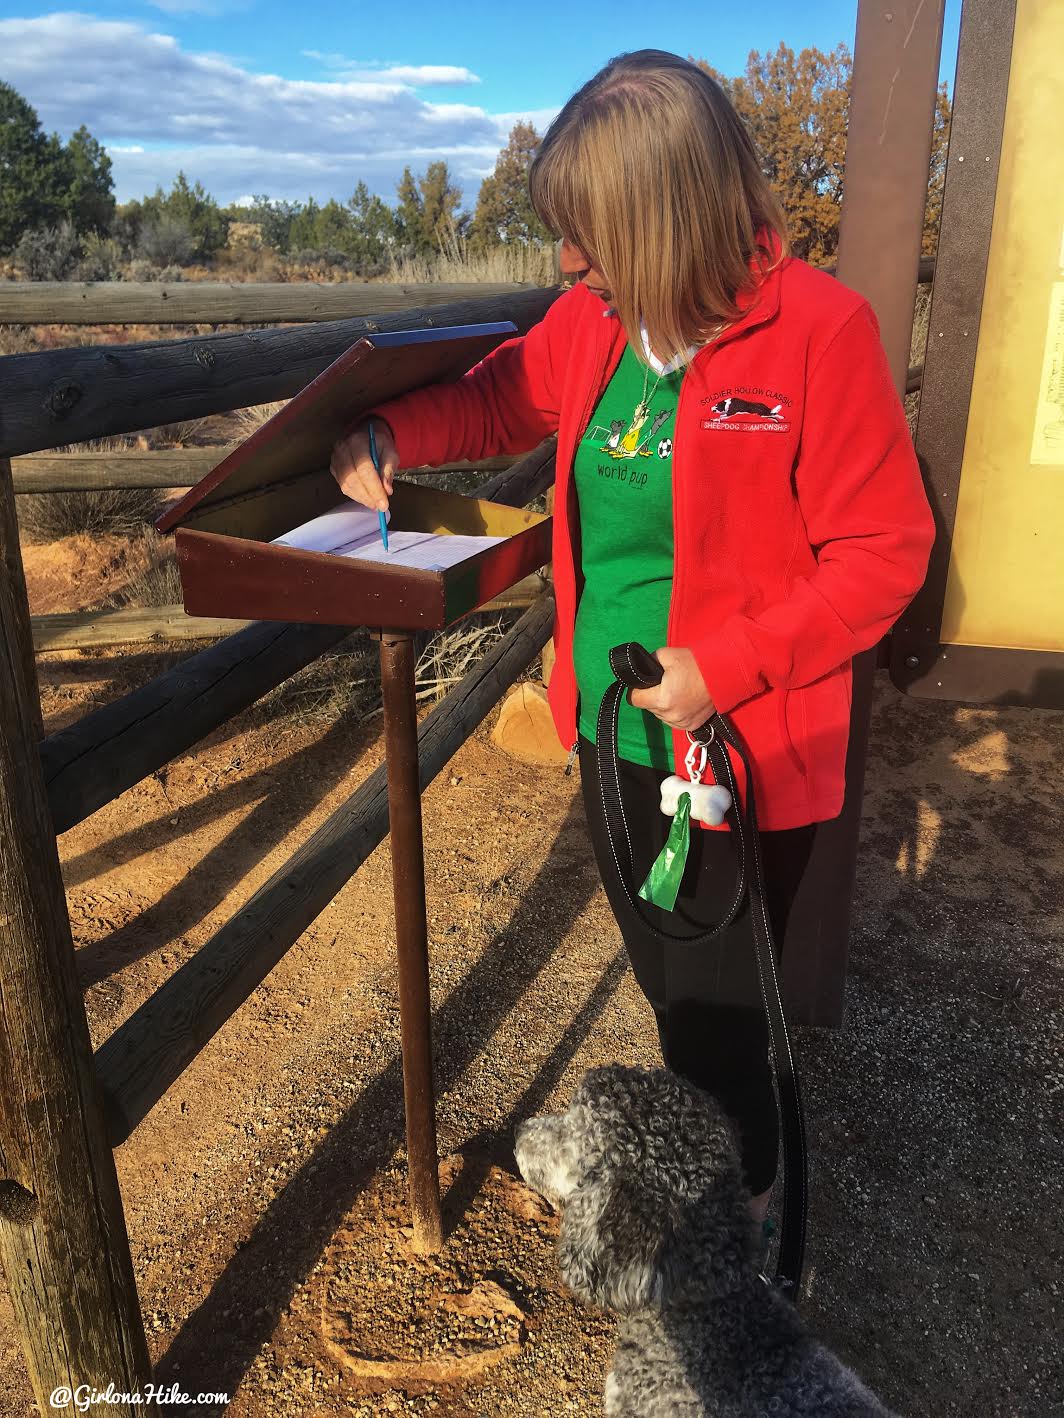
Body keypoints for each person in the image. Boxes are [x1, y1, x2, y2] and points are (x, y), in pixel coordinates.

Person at [330, 49, 937, 1224]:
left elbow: (882, 552)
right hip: (613, 726)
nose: (566, 259)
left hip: (735, 747)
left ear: (664, 213)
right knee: (669, 988)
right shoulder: (594, 326)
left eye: (588, 230)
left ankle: (741, 1234)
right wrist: (394, 430)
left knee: (716, 1019)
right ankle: (708, 1197)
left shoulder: (818, 332)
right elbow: (503, 394)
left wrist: (727, 669)